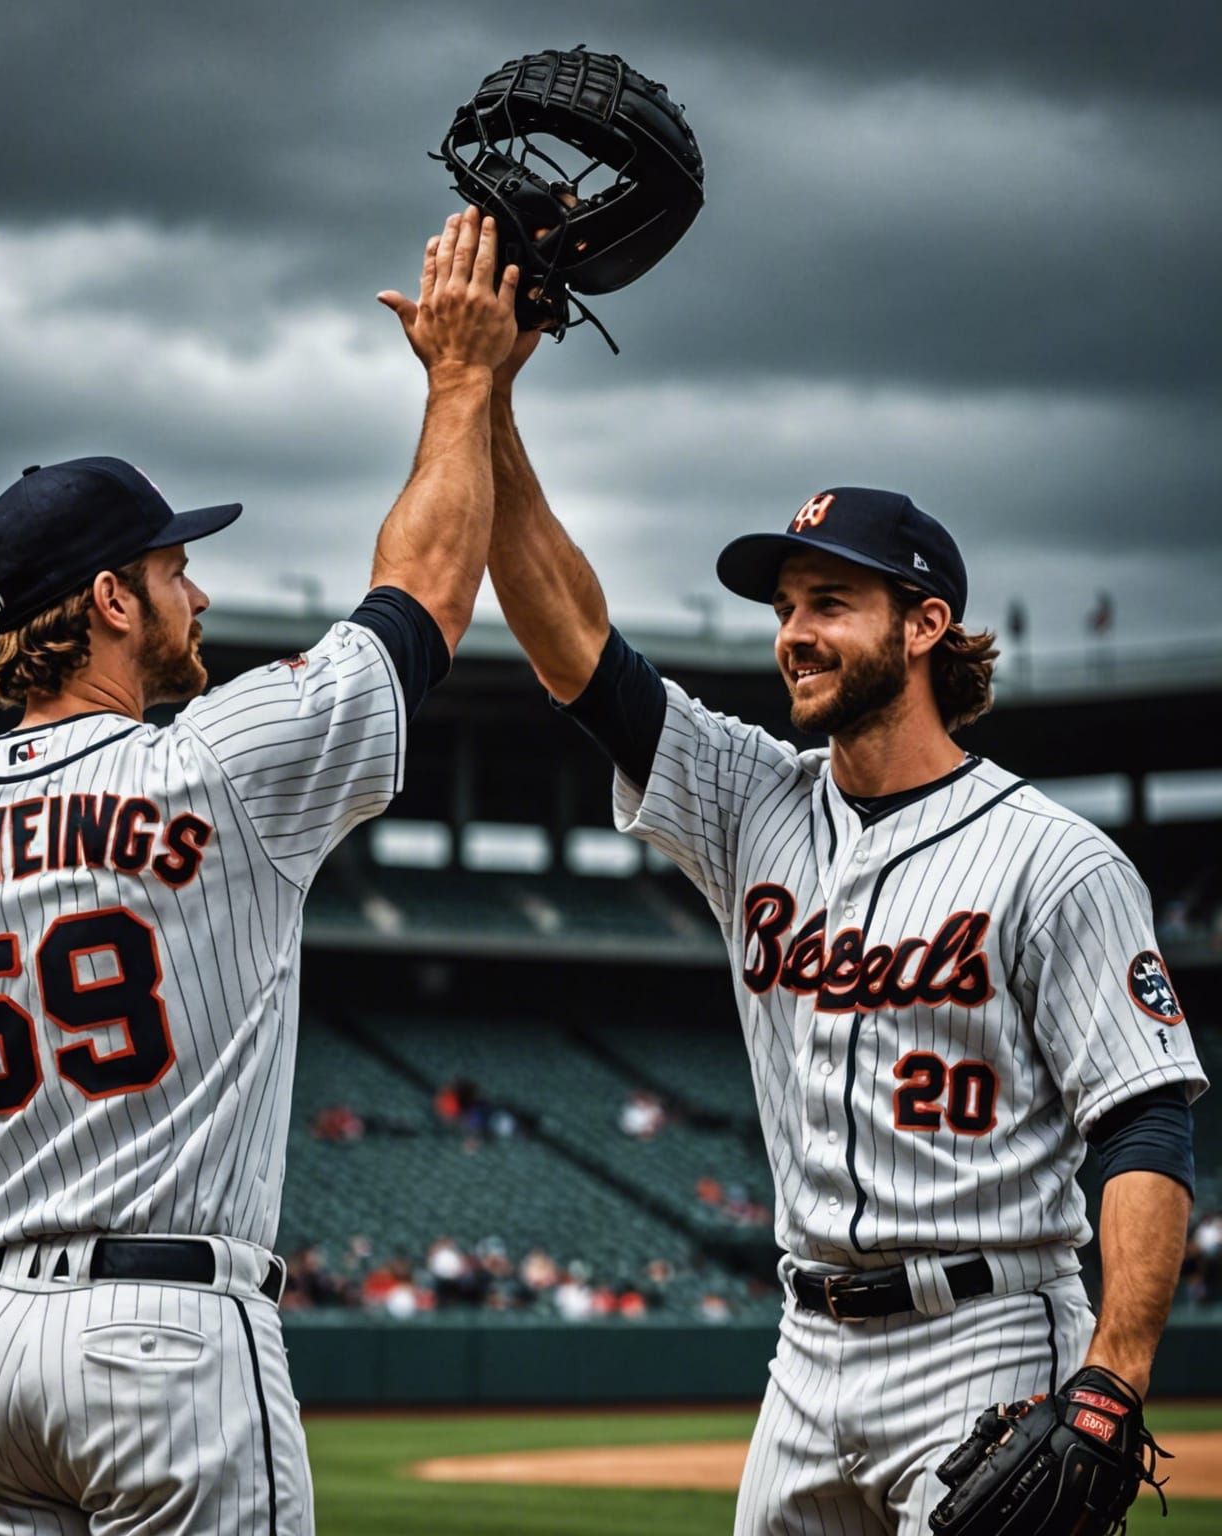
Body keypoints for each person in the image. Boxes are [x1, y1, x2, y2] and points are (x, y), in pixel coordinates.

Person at [0, 206, 518, 1536]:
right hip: (170, 1338)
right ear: (112, 601)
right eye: (178, 568)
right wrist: (465, 382)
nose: (198, 595)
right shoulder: (219, 764)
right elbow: (425, 600)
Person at [484, 329, 1206, 1534]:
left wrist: (1116, 1377)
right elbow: (573, 644)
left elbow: (1146, 1118)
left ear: (924, 626)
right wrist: (486, 398)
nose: (793, 632)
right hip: (805, 1352)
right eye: (784, 606)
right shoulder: (751, 799)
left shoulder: (1055, 858)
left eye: (832, 601)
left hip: (989, 1341)